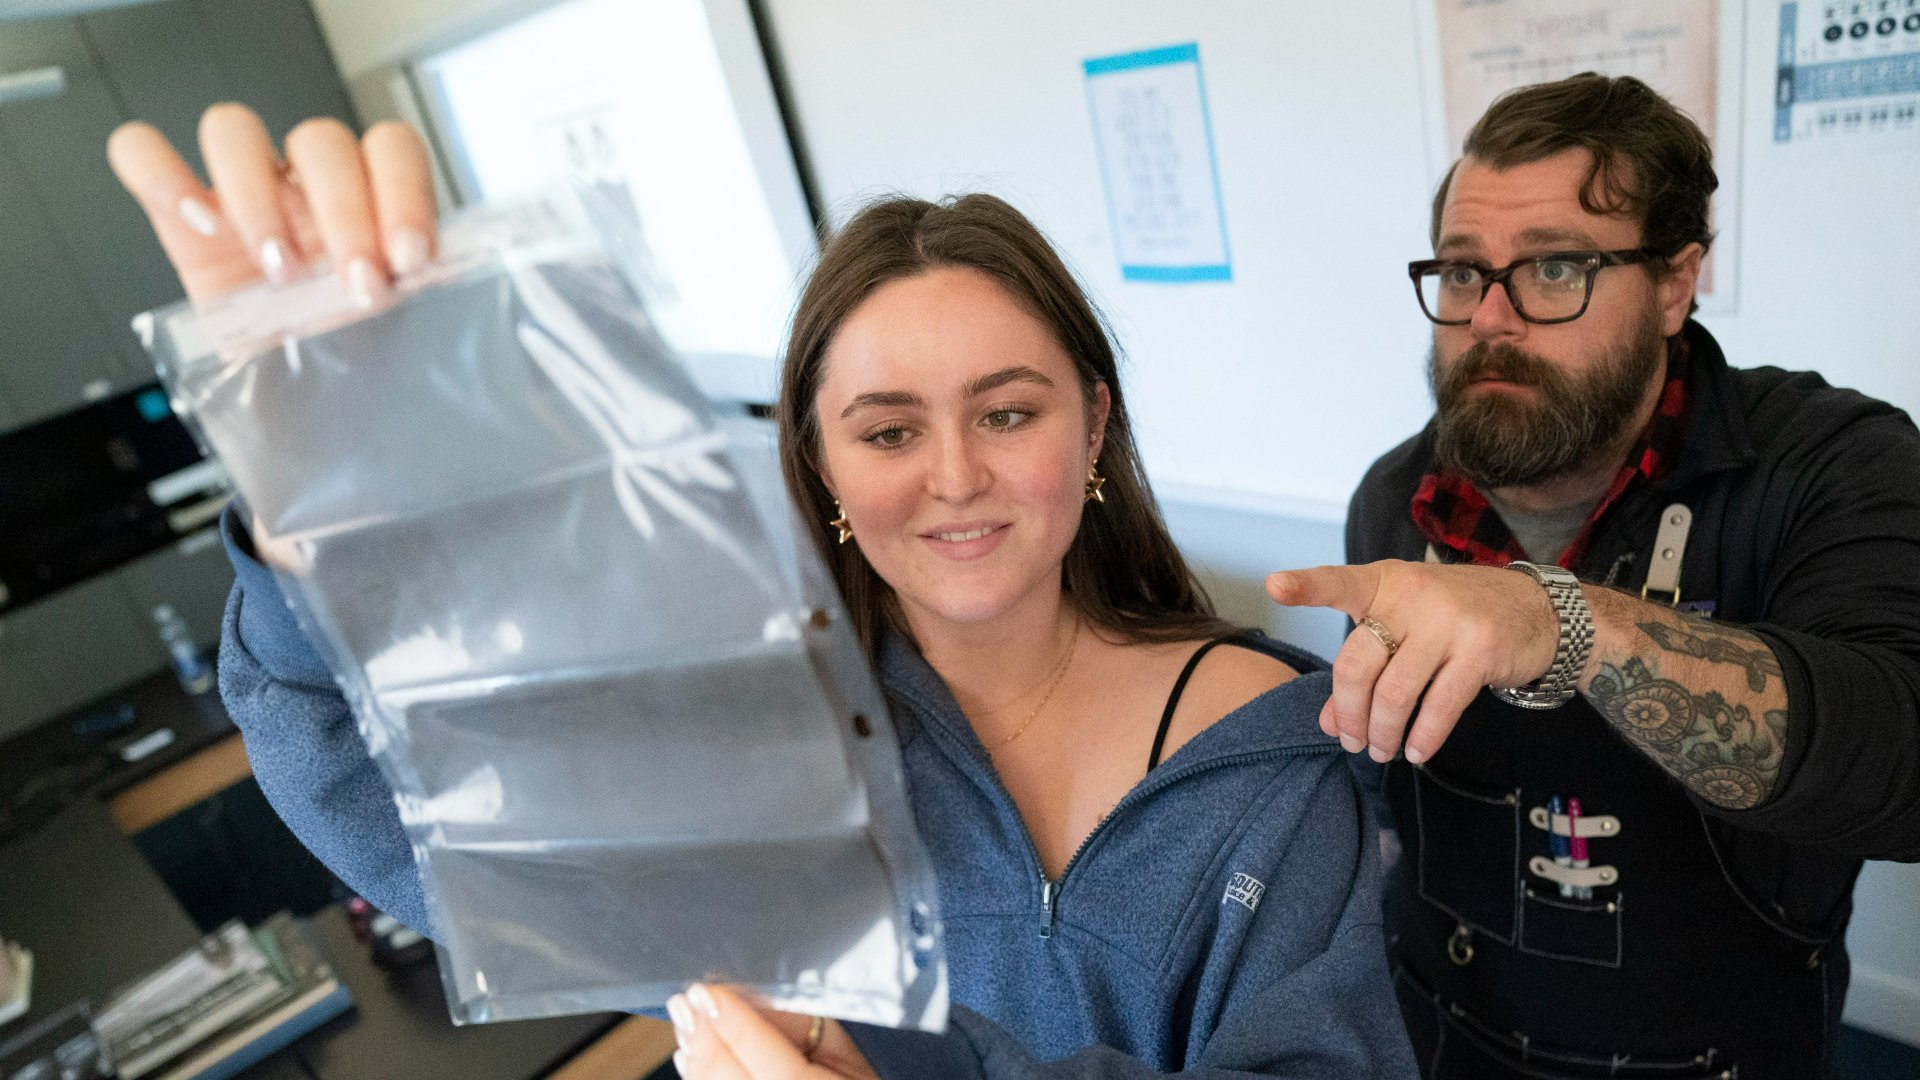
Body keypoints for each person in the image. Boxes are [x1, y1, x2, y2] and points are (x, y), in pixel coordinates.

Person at [107, 105, 1417, 1079]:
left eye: (1007, 412)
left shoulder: (1283, 775)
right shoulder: (753, 756)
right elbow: (371, 784)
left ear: (1092, 426)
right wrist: (319, 502)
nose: (955, 477)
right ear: (821, 464)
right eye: (889, 431)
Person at [1265, 73, 1920, 1078]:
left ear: (1674, 282)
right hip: (1444, 1029)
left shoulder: (1831, 465)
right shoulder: (1395, 498)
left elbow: (1903, 761)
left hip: (1721, 1050)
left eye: (1556, 268)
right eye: (1461, 272)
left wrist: (1563, 623)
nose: (1490, 317)